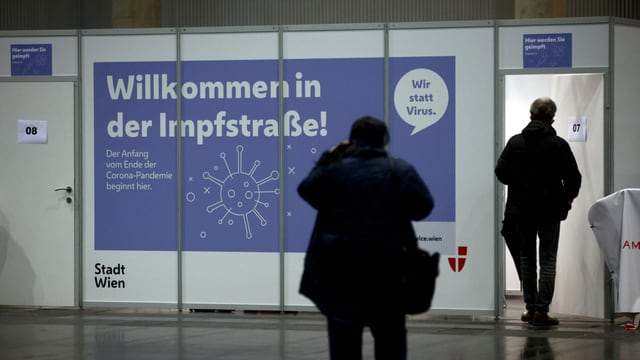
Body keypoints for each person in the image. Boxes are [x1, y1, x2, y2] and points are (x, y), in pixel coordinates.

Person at [298, 116, 434, 359]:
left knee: (344, 344)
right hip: (389, 272)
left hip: (341, 273)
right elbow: (423, 208)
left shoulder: (334, 170)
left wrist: (329, 155)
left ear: (351, 141)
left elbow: (306, 190)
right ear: (384, 141)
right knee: (390, 340)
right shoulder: (399, 170)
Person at [495, 97, 582, 326]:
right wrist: (568, 199)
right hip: (550, 210)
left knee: (526, 257)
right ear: (552, 119)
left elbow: (500, 172)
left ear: (530, 116)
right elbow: (574, 178)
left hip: (521, 209)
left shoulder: (515, 143)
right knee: (548, 258)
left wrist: (520, 181)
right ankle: (542, 311)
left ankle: (530, 309)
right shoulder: (559, 145)